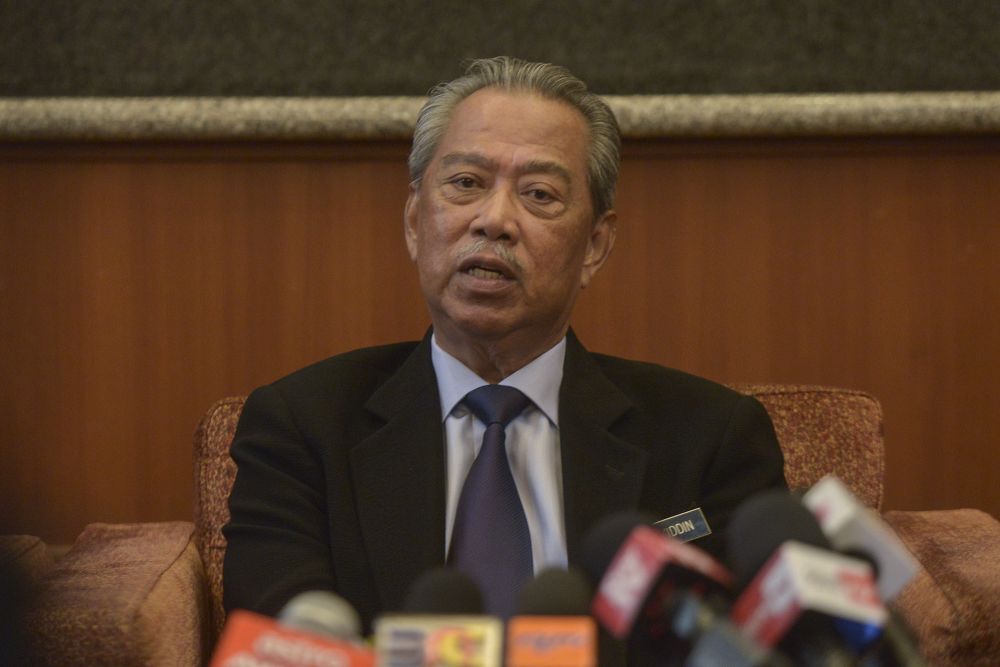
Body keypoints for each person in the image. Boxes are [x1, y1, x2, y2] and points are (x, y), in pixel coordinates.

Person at [223, 56, 785, 635]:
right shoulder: (304, 428)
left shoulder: (708, 438)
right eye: (466, 183)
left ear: (595, 245)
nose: (494, 220)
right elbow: (278, 641)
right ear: (415, 222)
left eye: (539, 194)